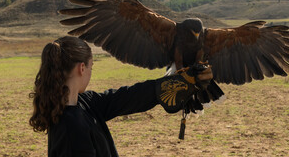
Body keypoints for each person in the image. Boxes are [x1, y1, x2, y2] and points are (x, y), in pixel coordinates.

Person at [29, 36, 213, 157]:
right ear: (82, 68)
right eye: (91, 67)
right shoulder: (71, 128)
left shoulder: (84, 103)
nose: (91, 73)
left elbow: (126, 97)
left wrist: (182, 81)